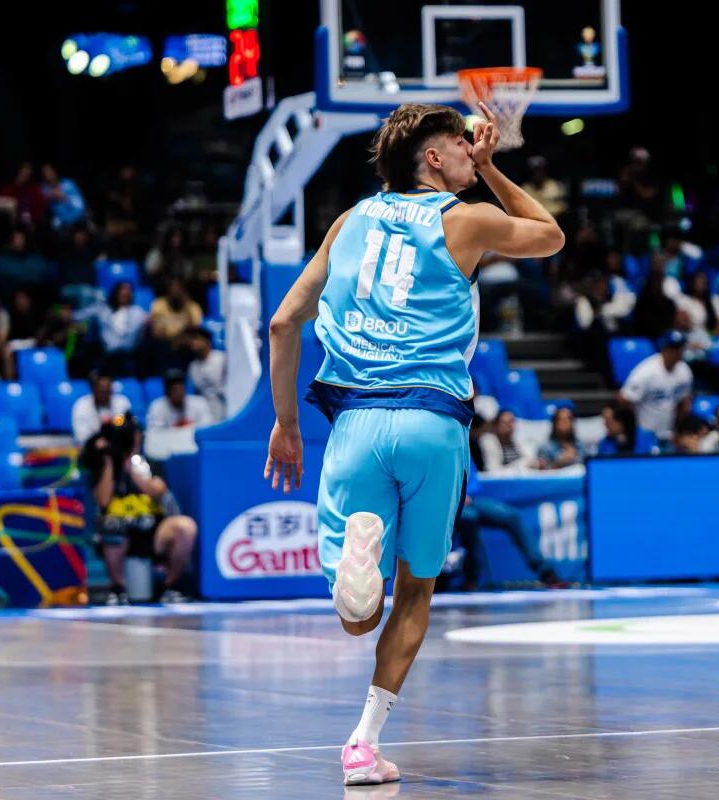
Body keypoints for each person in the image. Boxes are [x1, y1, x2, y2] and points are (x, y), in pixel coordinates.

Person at [263, 101, 564, 786]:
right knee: (417, 590)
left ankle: (356, 582)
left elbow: (282, 324)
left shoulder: (348, 222)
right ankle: (363, 744)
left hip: (354, 425)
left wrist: (286, 425)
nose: (469, 152)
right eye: (461, 145)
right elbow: (550, 236)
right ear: (434, 158)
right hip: (432, 422)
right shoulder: (466, 219)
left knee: (356, 617)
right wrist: (493, 169)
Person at [84, 413, 197, 605]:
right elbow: (103, 501)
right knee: (111, 525)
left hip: (152, 532)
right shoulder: (105, 466)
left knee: (185, 527)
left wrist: (132, 465)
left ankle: (170, 587)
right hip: (119, 533)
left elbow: (158, 490)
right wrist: (109, 460)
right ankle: (118, 590)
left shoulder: (149, 462)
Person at [454, 460, 564, 591]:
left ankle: (546, 572)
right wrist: (454, 497)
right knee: (469, 518)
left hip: (469, 501)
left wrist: (467, 493)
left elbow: (471, 474)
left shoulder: (462, 449)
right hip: (449, 505)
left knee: (512, 517)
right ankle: (471, 578)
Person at [618, 329, 694, 443]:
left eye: (679, 349)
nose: (677, 353)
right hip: (645, 433)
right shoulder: (646, 371)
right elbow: (624, 398)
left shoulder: (684, 371)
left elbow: (684, 401)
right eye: (673, 348)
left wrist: (679, 428)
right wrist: (634, 424)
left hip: (669, 433)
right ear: (664, 349)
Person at [94, 281, 148, 377]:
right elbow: (80, 316)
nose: (125, 293)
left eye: (128, 290)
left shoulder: (138, 312)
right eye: (122, 290)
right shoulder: (103, 310)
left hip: (129, 353)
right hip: (107, 354)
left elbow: (133, 338)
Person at [72, 370, 132, 444]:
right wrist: (97, 441)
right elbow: (81, 436)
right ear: (93, 389)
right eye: (102, 390)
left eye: (108, 389)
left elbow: (129, 428)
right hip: (92, 447)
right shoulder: (81, 406)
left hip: (118, 445)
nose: (105, 393)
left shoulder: (122, 402)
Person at [146, 369, 213, 430]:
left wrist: (185, 427)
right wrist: (178, 428)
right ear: (167, 391)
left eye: (180, 387)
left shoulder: (199, 402)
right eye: (174, 389)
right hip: (169, 439)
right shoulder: (157, 406)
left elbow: (208, 427)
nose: (178, 392)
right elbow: (154, 432)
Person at [186, 327, 227, 422]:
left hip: (223, 402)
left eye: (196, 339)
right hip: (204, 408)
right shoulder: (192, 366)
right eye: (192, 340)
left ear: (207, 341)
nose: (193, 343)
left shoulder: (221, 359)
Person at [41, 163, 86, 230]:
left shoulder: (68, 184)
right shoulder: (44, 189)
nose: (47, 174)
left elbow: (80, 207)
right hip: (58, 225)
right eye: (45, 172)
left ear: (54, 171)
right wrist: (49, 197)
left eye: (49, 171)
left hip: (76, 221)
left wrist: (64, 197)